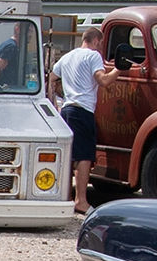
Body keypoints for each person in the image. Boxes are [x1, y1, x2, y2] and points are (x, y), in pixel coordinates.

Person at [49, 27, 119, 214]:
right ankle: (81, 200)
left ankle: (65, 196)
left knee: (70, 155)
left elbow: (52, 78)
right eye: (101, 43)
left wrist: (55, 100)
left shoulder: (68, 57)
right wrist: (119, 70)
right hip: (83, 110)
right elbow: (102, 80)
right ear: (96, 41)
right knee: (84, 157)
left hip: (67, 110)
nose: (101, 47)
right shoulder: (93, 56)